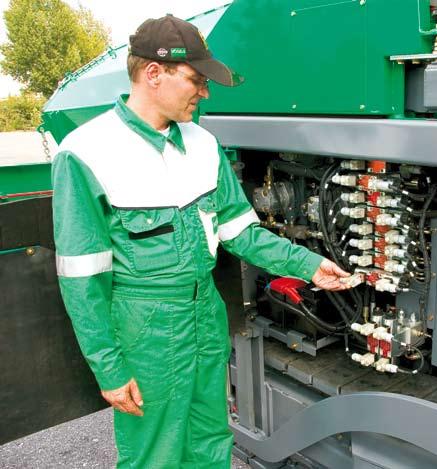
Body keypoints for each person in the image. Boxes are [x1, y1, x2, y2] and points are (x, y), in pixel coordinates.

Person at [52, 14, 350, 468]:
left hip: (204, 314)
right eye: (195, 79)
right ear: (154, 73)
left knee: (211, 442)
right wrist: (109, 367)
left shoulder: (203, 145)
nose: (205, 92)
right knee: (154, 454)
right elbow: (82, 278)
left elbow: (241, 232)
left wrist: (307, 263)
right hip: (145, 326)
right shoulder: (87, 153)